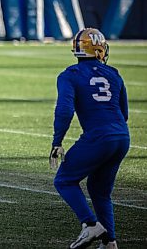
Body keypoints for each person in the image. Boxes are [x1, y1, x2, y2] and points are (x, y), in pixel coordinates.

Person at [50, 28, 129, 249]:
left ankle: (90, 224)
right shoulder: (113, 73)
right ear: (99, 48)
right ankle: (110, 241)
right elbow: (124, 114)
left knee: (64, 180)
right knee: (100, 191)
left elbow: (64, 110)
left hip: (99, 137)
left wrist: (57, 141)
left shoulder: (69, 75)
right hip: (122, 137)